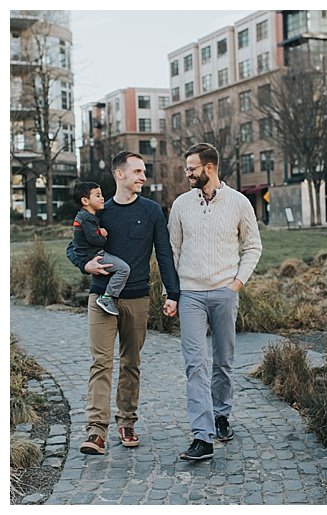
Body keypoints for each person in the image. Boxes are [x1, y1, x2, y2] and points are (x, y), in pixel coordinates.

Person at [66, 151, 180, 455]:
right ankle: (96, 432)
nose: (143, 177)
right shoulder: (100, 210)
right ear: (120, 174)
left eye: (144, 172)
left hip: (137, 298)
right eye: (138, 172)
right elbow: (72, 246)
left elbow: (164, 254)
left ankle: (126, 422)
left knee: (131, 363)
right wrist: (84, 265)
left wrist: (173, 293)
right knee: (101, 363)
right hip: (100, 298)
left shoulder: (153, 210)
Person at [168, 142, 262, 461]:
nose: (187, 173)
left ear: (209, 168)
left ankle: (221, 415)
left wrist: (237, 283)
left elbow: (253, 246)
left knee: (223, 360)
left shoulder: (238, 203)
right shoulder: (181, 205)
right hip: (190, 294)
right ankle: (202, 436)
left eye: (191, 168)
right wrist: (174, 291)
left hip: (224, 292)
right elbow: (173, 250)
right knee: (196, 363)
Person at [70, 181, 130, 316]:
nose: (102, 198)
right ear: (85, 200)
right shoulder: (87, 218)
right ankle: (107, 297)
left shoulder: (85, 216)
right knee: (123, 269)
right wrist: (103, 235)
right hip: (94, 256)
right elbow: (94, 239)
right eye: (97, 195)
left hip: (90, 255)